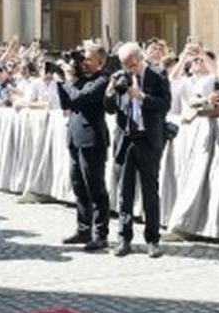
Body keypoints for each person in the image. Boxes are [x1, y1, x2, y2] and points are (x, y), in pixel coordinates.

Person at [110, 42, 170, 257]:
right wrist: (111, 88)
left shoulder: (157, 74)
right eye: (125, 65)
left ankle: (153, 239)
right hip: (126, 139)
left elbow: (165, 104)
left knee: (149, 192)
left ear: (140, 59)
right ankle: (123, 238)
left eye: (132, 65)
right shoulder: (120, 76)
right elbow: (109, 108)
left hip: (148, 139)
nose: (129, 69)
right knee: (125, 192)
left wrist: (141, 96)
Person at [56, 42, 113, 249]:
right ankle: (83, 230)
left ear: (101, 61)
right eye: (83, 59)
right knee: (79, 187)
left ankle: (100, 234)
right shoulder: (80, 79)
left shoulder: (103, 79)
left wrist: (70, 81)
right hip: (74, 138)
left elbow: (81, 98)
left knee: (95, 188)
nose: (84, 62)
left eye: (88, 59)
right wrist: (61, 80)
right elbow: (66, 103)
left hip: (92, 140)